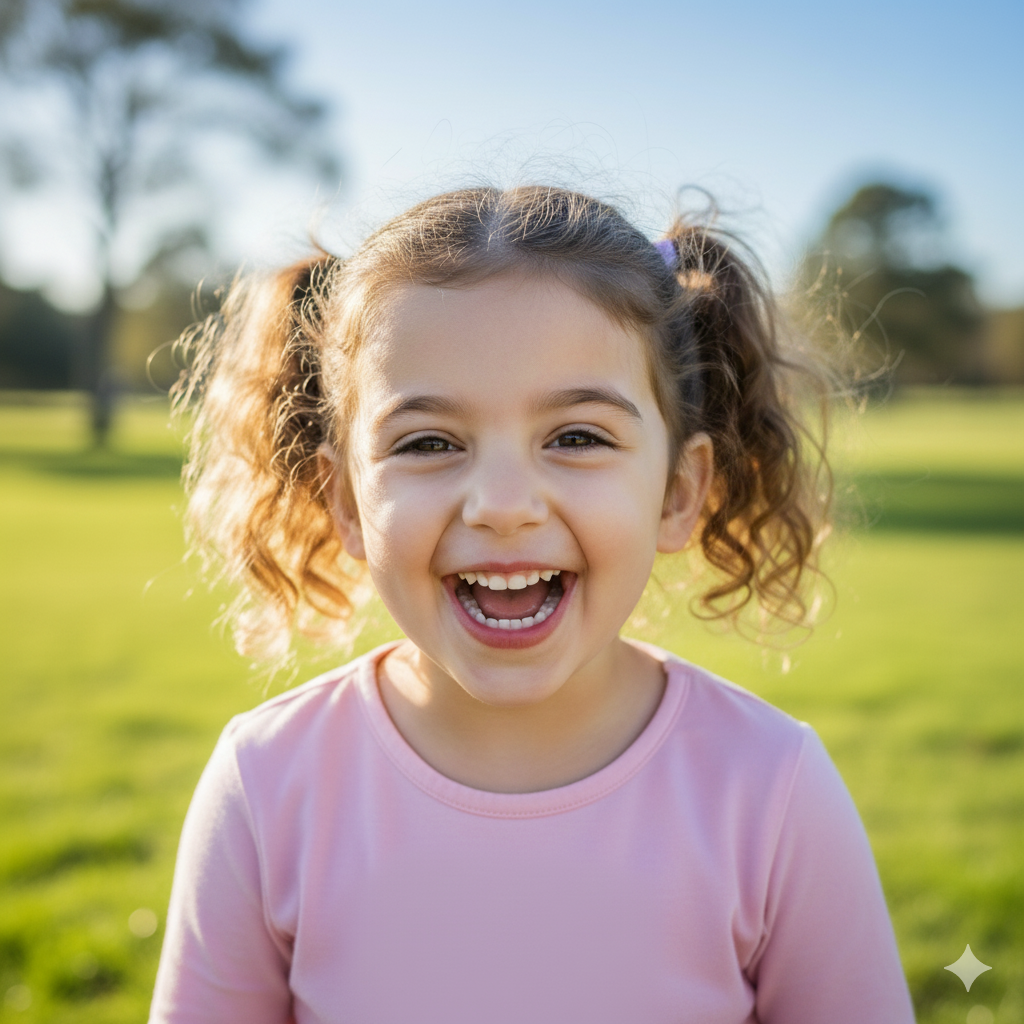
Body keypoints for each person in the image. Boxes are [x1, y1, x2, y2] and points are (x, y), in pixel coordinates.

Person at [150, 186, 915, 1023]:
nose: (503, 504)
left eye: (577, 437)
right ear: (345, 503)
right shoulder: (268, 787)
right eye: (429, 443)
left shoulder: (771, 791)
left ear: (677, 491)